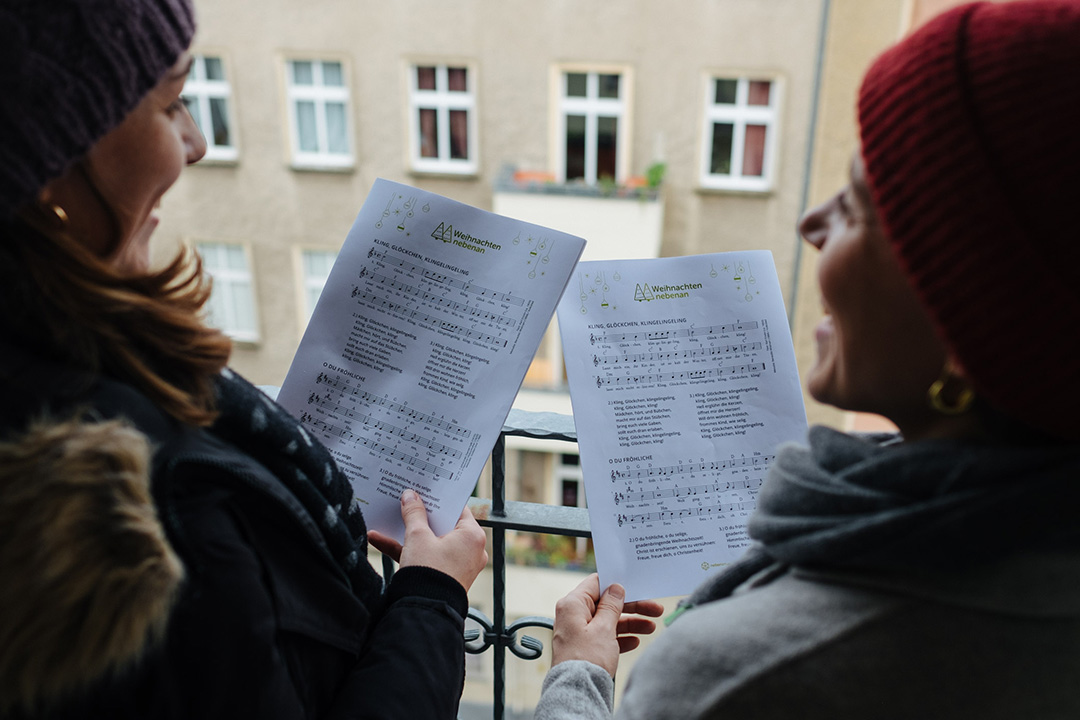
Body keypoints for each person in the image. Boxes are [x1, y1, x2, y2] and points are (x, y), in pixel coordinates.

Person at [534, 1, 1080, 718]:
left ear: (967, 323)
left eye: (856, 207)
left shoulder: (741, 676)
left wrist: (577, 677)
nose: (810, 224)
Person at [0, 1, 487, 718]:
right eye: (170, 103)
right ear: (49, 162)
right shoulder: (144, 507)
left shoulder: (73, 365)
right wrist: (432, 598)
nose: (195, 141)